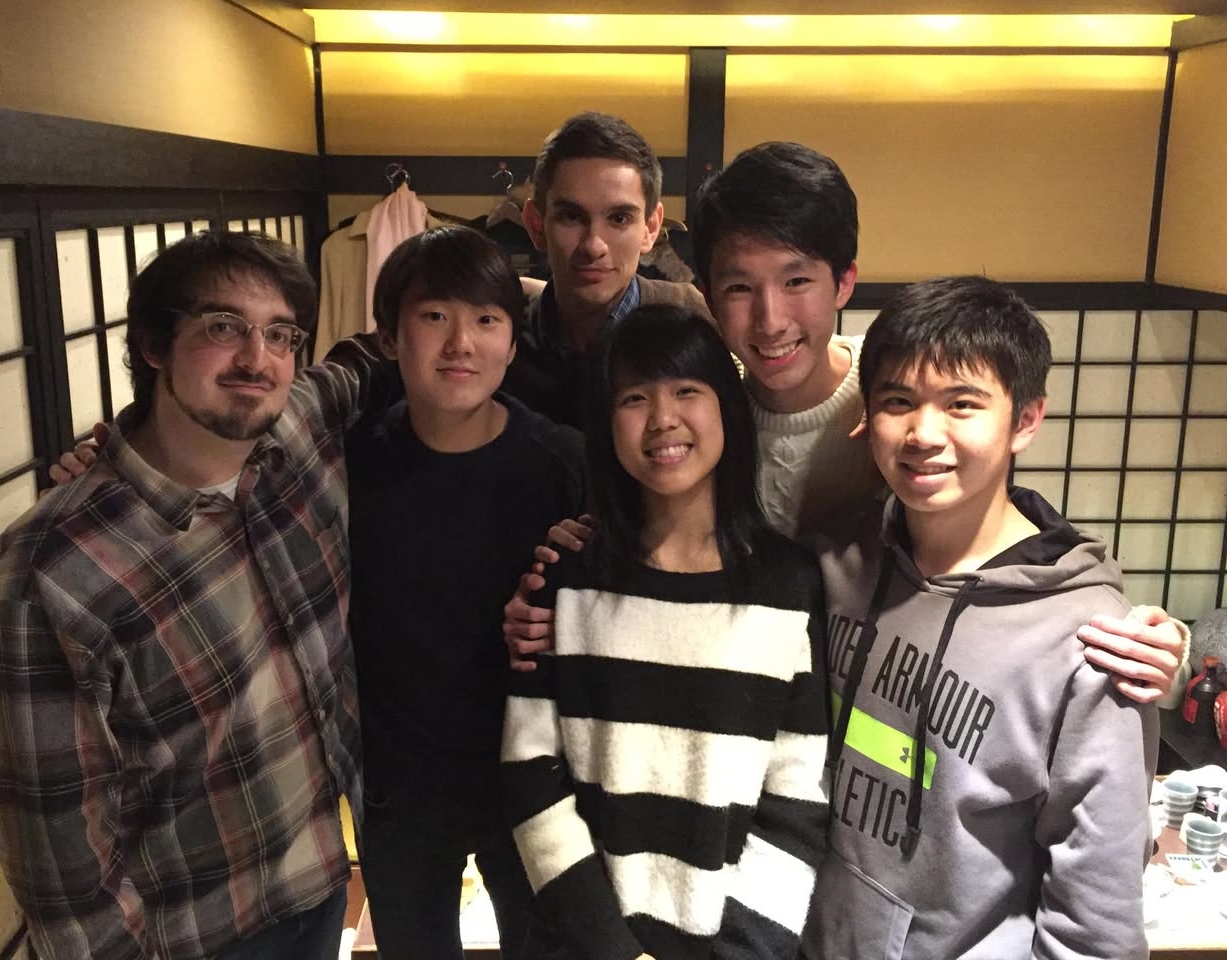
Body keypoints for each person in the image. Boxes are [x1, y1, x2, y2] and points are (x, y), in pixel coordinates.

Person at [505, 139, 1187, 705]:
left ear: (845, 282)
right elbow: (637, 531)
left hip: (886, 709)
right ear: (707, 293)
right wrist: (558, 586)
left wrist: (1143, 634)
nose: (770, 320)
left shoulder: (901, 400)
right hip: (738, 719)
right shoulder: (702, 419)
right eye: (740, 288)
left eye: (797, 282)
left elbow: (1011, 529)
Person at [0, 231, 396, 960]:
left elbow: (374, 353)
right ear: (153, 345)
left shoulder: (299, 426)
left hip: (321, 876)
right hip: (196, 934)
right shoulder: (52, 572)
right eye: (222, 327)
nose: (257, 360)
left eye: (280, 334)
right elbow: (63, 877)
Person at [803, 275, 1156, 958]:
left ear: (1025, 419)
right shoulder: (835, 566)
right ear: (865, 415)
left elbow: (1097, 922)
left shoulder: (1091, 642)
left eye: (962, 404)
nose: (923, 434)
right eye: (897, 402)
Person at [502, 304, 828, 960]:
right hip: (583, 945)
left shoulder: (788, 584)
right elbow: (530, 768)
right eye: (634, 398)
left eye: (686, 390)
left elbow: (798, 795)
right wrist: (612, 948)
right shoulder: (566, 577)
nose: (663, 419)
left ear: (727, 411)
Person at [345, 225, 585, 959]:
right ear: (389, 336)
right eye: (433, 317)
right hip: (400, 789)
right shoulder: (349, 464)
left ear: (513, 344)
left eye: (486, 320)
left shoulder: (562, 465)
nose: (461, 343)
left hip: (533, 783)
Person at [502, 110, 712, 427]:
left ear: (650, 228)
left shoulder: (695, 319)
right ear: (536, 224)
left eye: (619, 219)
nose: (593, 245)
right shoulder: (499, 336)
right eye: (571, 217)